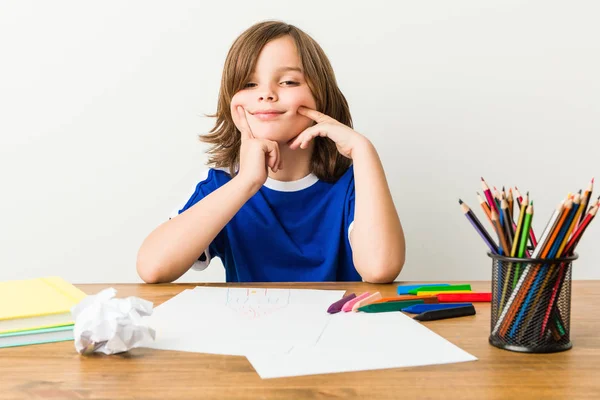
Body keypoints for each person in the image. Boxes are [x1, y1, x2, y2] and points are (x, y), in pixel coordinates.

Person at [137, 20, 405, 283]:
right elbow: (152, 268)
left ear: (320, 95)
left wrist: (363, 150)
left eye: (288, 82)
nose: (266, 94)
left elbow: (380, 268)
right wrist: (246, 182)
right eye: (249, 84)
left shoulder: (353, 184)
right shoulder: (222, 184)